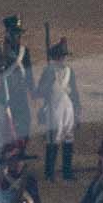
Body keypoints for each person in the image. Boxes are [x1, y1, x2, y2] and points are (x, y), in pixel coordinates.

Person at [0, 16, 35, 160]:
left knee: (24, 122)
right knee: (1, 125)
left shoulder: (24, 52)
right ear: (7, 32)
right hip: (3, 95)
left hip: (19, 95)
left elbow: (29, 73)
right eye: (14, 32)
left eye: (19, 33)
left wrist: (32, 91)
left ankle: (20, 151)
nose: (17, 36)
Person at [33, 39, 79, 181]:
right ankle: (49, 172)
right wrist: (47, 85)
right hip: (54, 107)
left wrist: (77, 109)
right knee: (53, 140)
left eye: (65, 56)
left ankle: (67, 172)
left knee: (68, 139)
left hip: (67, 108)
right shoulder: (48, 71)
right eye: (62, 55)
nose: (64, 58)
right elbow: (40, 91)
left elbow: (75, 92)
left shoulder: (70, 71)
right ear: (57, 57)